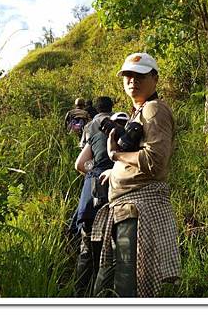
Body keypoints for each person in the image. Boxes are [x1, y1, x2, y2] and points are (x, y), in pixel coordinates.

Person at [92, 52, 181, 298]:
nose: (132, 80)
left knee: (127, 284)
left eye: (140, 75)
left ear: (155, 78)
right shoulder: (139, 112)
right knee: (118, 281)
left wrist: (116, 156)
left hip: (137, 209)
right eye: (128, 76)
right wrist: (116, 171)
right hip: (127, 209)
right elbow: (142, 156)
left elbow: (155, 161)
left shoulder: (153, 109)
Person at [72, 111, 130, 296]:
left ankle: (79, 295)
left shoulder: (96, 137)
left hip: (89, 203)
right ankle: (103, 297)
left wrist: (95, 168)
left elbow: (80, 165)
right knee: (110, 254)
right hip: (111, 203)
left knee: (86, 250)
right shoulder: (129, 141)